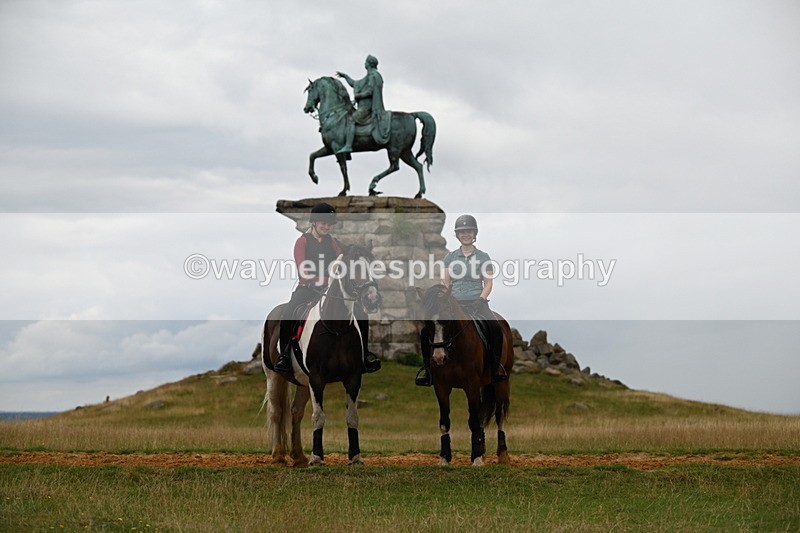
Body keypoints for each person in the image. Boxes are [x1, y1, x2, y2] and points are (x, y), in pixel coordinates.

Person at [274, 202, 381, 375]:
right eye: (323, 223)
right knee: (290, 311)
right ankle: (285, 356)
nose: (326, 226)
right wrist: (326, 279)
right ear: (314, 222)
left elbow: (343, 259)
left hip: (330, 289)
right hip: (307, 288)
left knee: (361, 312)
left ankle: (364, 355)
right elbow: (303, 271)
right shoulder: (302, 242)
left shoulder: (332, 242)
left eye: (329, 224)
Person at [416, 214, 507, 386]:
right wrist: (445, 300)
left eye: (469, 231)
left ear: (475, 234)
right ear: (457, 235)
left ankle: (495, 368)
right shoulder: (450, 258)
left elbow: (488, 283)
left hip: (477, 302)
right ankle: (428, 371)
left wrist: (481, 299)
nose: (466, 234)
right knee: (425, 331)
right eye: (462, 232)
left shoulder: (483, 257)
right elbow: (445, 282)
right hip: (454, 303)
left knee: (495, 327)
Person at [336, 54, 391, 154]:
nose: (364, 63)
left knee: (351, 119)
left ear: (369, 64)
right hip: (362, 107)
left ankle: (348, 146)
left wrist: (359, 96)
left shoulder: (373, 76)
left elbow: (370, 91)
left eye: (365, 62)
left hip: (367, 108)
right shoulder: (369, 76)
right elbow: (355, 83)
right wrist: (345, 76)